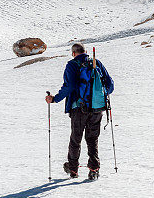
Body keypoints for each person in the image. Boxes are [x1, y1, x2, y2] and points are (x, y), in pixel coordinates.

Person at [45, 43, 114, 180]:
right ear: (86, 51)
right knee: (92, 139)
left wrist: (55, 99)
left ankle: (73, 169)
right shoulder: (96, 63)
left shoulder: (72, 65)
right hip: (97, 108)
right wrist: (98, 96)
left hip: (78, 108)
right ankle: (94, 169)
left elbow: (69, 86)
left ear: (73, 53)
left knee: (75, 139)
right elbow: (110, 85)